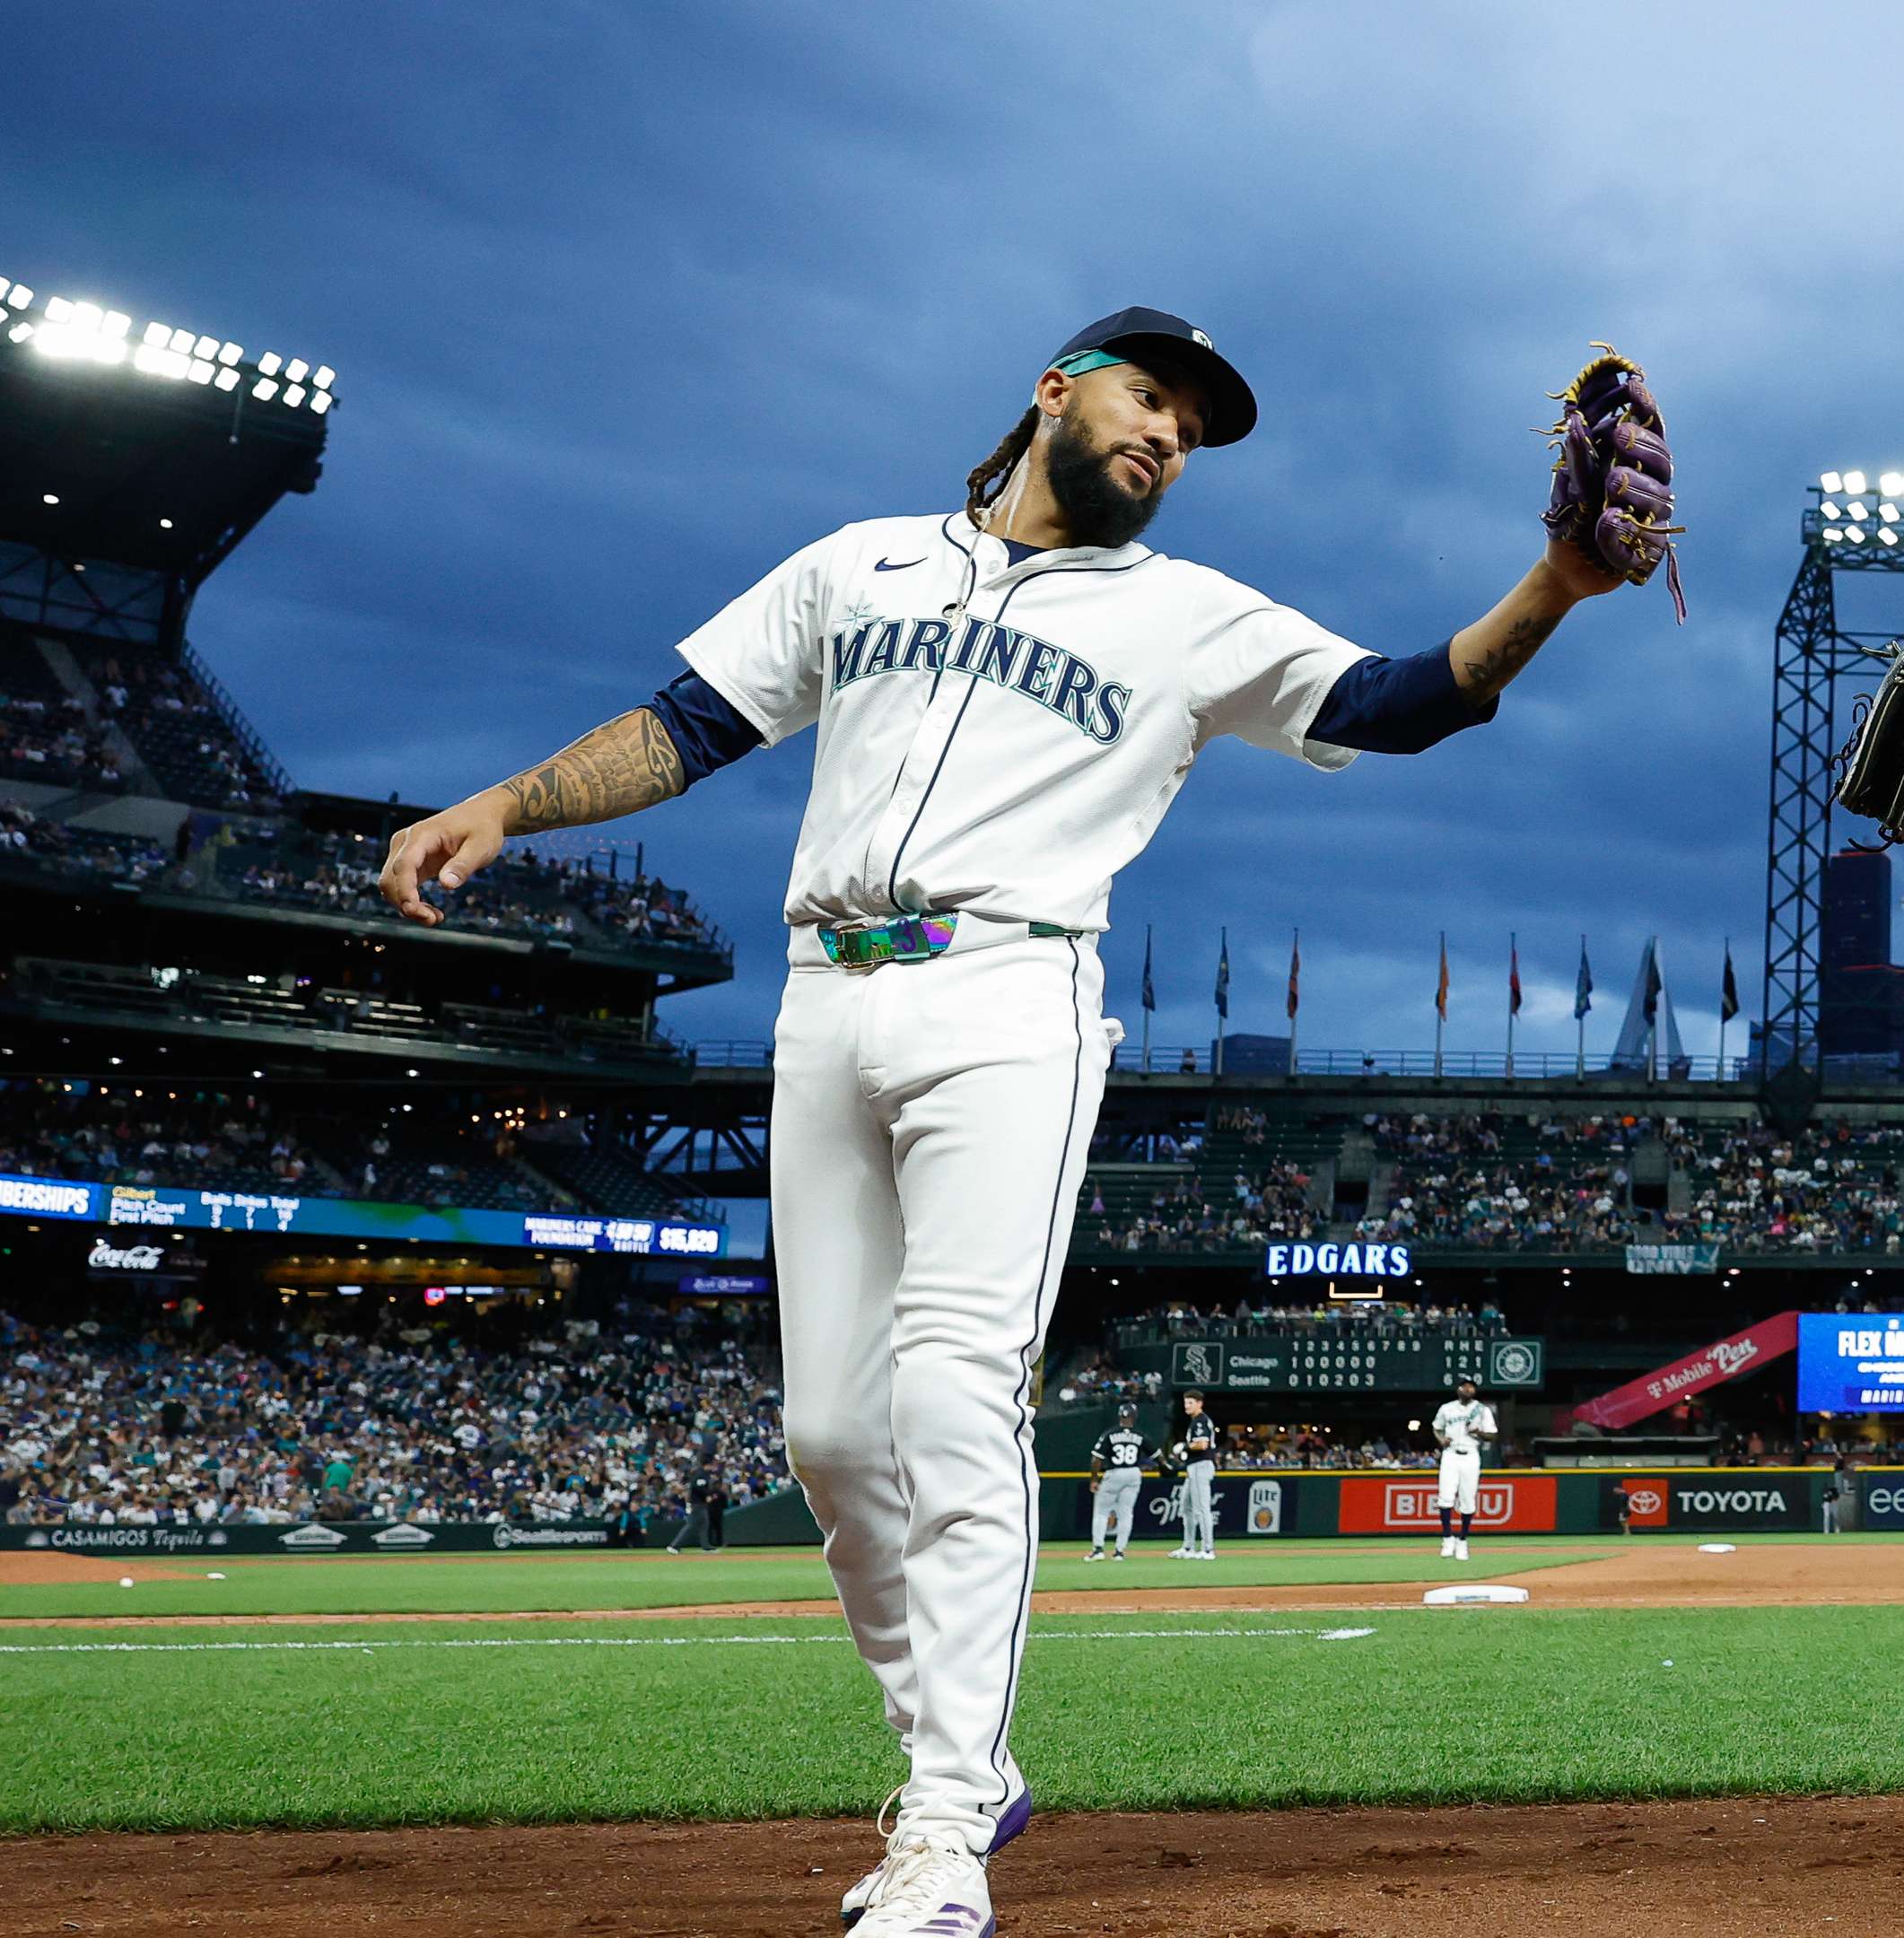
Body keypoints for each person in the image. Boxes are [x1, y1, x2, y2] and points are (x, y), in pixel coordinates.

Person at [371, 305, 1629, 1938]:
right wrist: (506, 802)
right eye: (1149, 393)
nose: (1171, 429)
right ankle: (962, 1753)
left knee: (956, 1393)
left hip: (1010, 996)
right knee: (830, 1437)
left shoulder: (1186, 613)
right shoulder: (861, 565)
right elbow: (687, 726)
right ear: (1053, 391)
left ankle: (944, 1828)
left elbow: (1399, 702)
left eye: (1195, 422)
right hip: (828, 996)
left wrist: (1558, 589)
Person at [1428, 1374, 1497, 1559]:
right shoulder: (1447, 1408)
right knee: (1445, 1497)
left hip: (1471, 1455)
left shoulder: (1482, 1410)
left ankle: (1463, 1541)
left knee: (1468, 1500)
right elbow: (1436, 1427)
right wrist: (1442, 1440)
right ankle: (1447, 1539)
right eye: (1465, 1386)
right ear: (1458, 1389)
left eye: (1471, 1387)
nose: (1468, 1389)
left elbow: (1492, 1435)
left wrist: (1478, 1431)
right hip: (1450, 1455)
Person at [1084, 1405, 1148, 1562]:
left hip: (1115, 1473)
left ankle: (1098, 1549)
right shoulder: (1140, 1434)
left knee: (1101, 1512)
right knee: (1126, 1513)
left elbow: (1096, 1458)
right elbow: (1156, 1454)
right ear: (1135, 1416)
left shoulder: (1110, 1434)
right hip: (1133, 1473)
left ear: (1120, 1416)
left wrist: (1094, 1479)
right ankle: (1119, 1552)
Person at [1169, 1389, 1219, 1561]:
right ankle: (1188, 1547)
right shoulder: (1196, 1421)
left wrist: (1184, 1446)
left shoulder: (1200, 1421)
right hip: (1194, 1467)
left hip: (1201, 1466)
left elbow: (1202, 1444)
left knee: (1201, 1508)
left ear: (1199, 1403)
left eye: (1191, 1402)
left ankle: (1208, 1549)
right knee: (1186, 1507)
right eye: (1185, 1403)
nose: (1187, 1406)